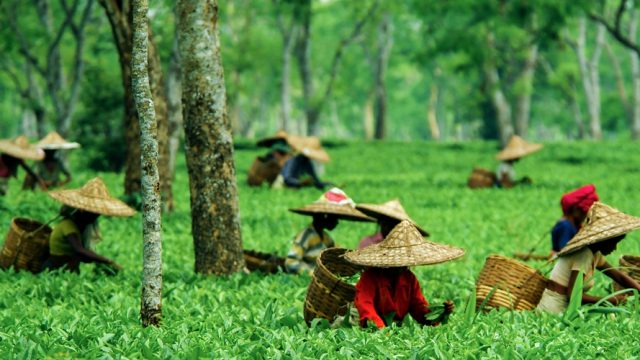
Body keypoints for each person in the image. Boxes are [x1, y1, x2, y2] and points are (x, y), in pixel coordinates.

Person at [344, 220, 465, 329]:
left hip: (392, 328)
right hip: (362, 327)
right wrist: (381, 330)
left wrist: (441, 312)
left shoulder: (409, 279)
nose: (400, 268)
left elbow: (420, 310)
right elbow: (366, 307)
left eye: (404, 264)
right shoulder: (370, 276)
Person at [538, 202, 640, 314]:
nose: (615, 248)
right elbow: (574, 295)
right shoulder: (584, 255)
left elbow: (618, 276)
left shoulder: (594, 254)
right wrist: (613, 300)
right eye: (614, 243)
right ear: (603, 240)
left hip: (564, 309)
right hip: (553, 310)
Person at [42, 177, 136, 273]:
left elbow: (84, 258)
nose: (95, 217)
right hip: (54, 270)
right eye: (92, 214)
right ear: (82, 210)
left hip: (69, 272)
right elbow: (79, 250)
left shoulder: (82, 227)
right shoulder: (68, 225)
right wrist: (107, 261)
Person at [285, 188, 373, 274]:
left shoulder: (326, 237)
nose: (337, 222)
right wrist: (311, 273)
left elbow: (337, 254)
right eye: (334, 218)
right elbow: (291, 262)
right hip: (311, 275)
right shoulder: (305, 235)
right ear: (325, 216)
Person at [355, 199, 429, 249]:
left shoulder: (406, 247)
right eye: (385, 224)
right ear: (380, 224)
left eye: (392, 225)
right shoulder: (368, 242)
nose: (387, 228)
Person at [551, 184, 599, 254]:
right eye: (584, 213)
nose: (585, 217)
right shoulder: (565, 226)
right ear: (576, 210)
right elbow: (565, 252)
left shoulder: (573, 224)